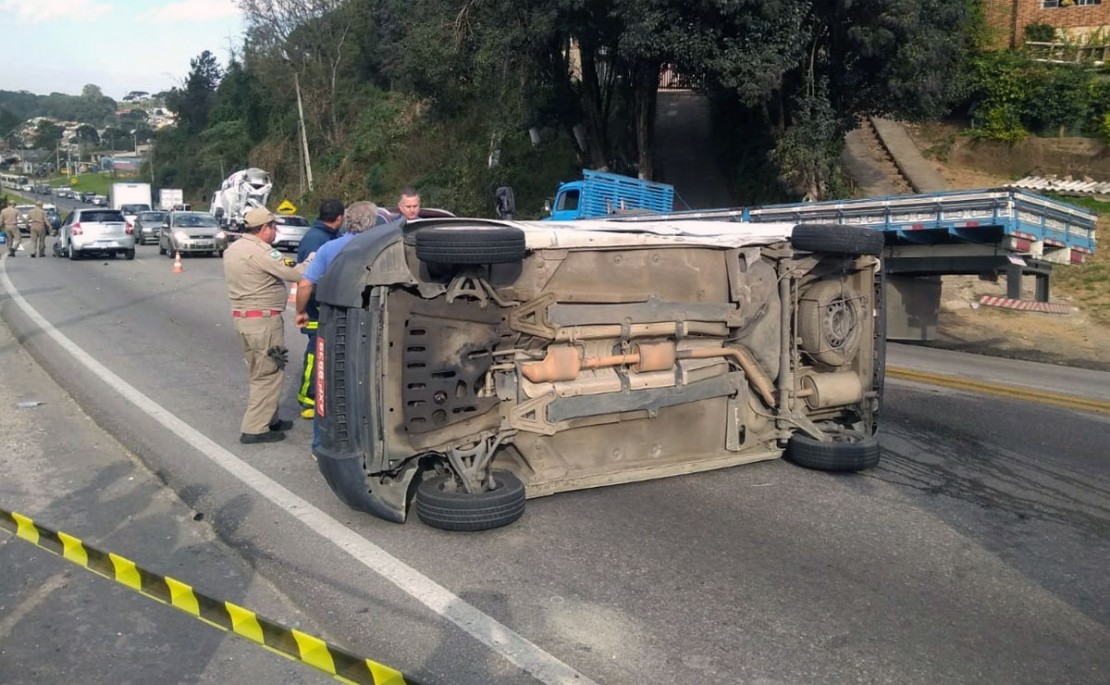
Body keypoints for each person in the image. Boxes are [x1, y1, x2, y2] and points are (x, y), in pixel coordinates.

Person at [294, 201, 380, 450]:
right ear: (373, 223)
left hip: (336, 327)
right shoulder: (384, 250)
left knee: (328, 385)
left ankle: (321, 445)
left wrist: (300, 311)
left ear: (347, 220)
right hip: (373, 326)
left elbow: (305, 284)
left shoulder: (330, 248)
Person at [224, 206, 306, 444]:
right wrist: (313, 260)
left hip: (244, 319)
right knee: (268, 373)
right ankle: (255, 427)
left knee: (259, 370)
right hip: (263, 321)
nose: (276, 230)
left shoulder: (234, 249)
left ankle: (270, 417)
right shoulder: (262, 252)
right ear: (264, 229)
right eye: (273, 226)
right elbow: (296, 273)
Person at [294, 199, 345, 419]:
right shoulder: (317, 240)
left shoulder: (327, 237)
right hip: (316, 307)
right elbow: (307, 279)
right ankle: (309, 398)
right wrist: (302, 309)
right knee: (316, 353)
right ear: (339, 218)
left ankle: (321, 394)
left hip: (321, 303)